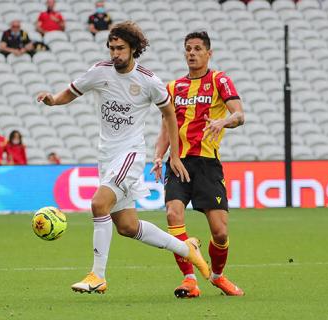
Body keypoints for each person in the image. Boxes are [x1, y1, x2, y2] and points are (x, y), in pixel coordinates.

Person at [37, 21, 210, 294]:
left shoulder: (148, 81)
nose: (115, 53)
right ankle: (187, 248)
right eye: (112, 48)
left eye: (120, 48)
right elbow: (71, 92)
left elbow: (169, 114)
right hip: (106, 156)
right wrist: (53, 100)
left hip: (130, 154)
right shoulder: (100, 72)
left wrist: (173, 155)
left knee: (98, 203)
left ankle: (98, 275)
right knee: (128, 227)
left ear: (133, 49)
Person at [151, 31, 245, 298]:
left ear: (208, 53)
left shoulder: (219, 80)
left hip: (207, 164)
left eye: (197, 49)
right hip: (178, 163)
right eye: (188, 49)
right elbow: (166, 129)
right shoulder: (172, 88)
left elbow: (239, 115)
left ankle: (217, 276)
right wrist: (159, 155)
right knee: (173, 214)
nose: (191, 53)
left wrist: (223, 121)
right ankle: (190, 279)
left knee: (220, 231)